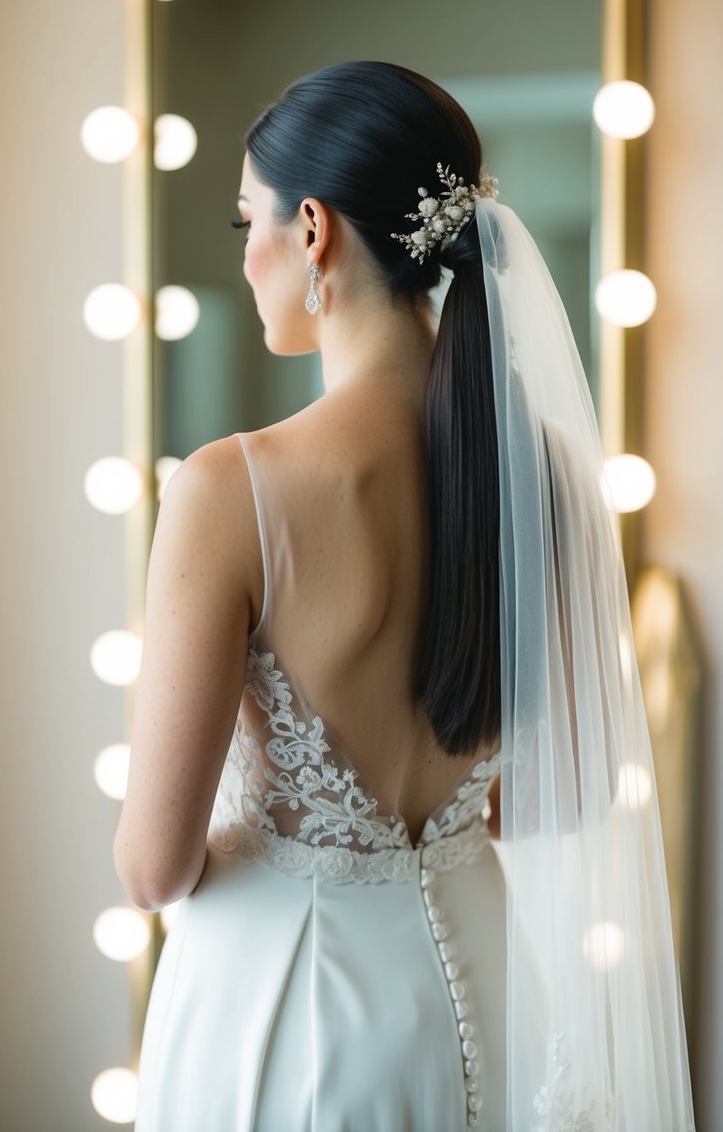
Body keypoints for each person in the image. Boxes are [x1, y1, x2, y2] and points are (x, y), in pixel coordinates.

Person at [114, 61, 695, 1131]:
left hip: (291, 1009)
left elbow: (153, 867)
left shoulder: (228, 489)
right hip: (485, 988)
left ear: (314, 231)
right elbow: (553, 797)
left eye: (250, 219)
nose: (244, 257)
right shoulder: (550, 473)